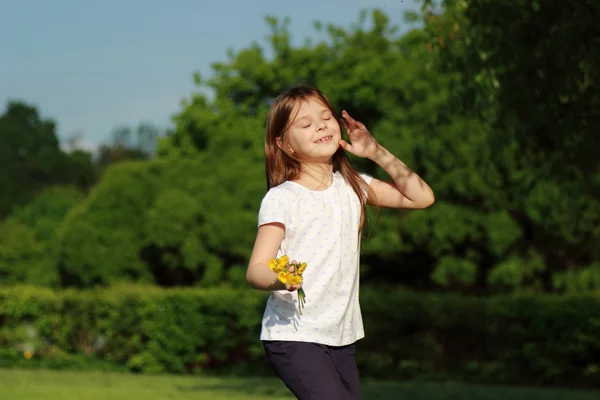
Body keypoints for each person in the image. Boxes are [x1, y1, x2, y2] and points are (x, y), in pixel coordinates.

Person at [246, 85, 434, 400]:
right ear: (284, 144)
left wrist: (376, 152)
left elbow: (421, 197)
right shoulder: (283, 198)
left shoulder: (355, 186)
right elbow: (255, 269)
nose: (321, 125)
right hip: (295, 336)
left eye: (325, 117)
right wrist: (280, 278)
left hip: (341, 337)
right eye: (305, 125)